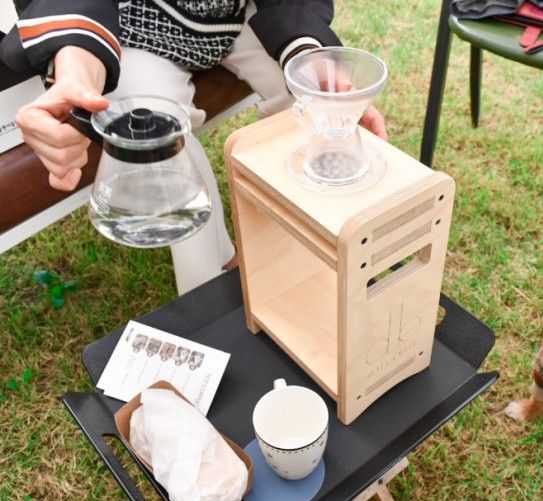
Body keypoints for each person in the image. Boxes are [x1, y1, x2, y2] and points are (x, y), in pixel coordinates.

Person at [0, 0, 387, 294]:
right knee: (165, 147)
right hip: (128, 26)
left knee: (315, 100)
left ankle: (322, 256)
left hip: (237, 15)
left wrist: (307, 54)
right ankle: (216, 292)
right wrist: (78, 71)